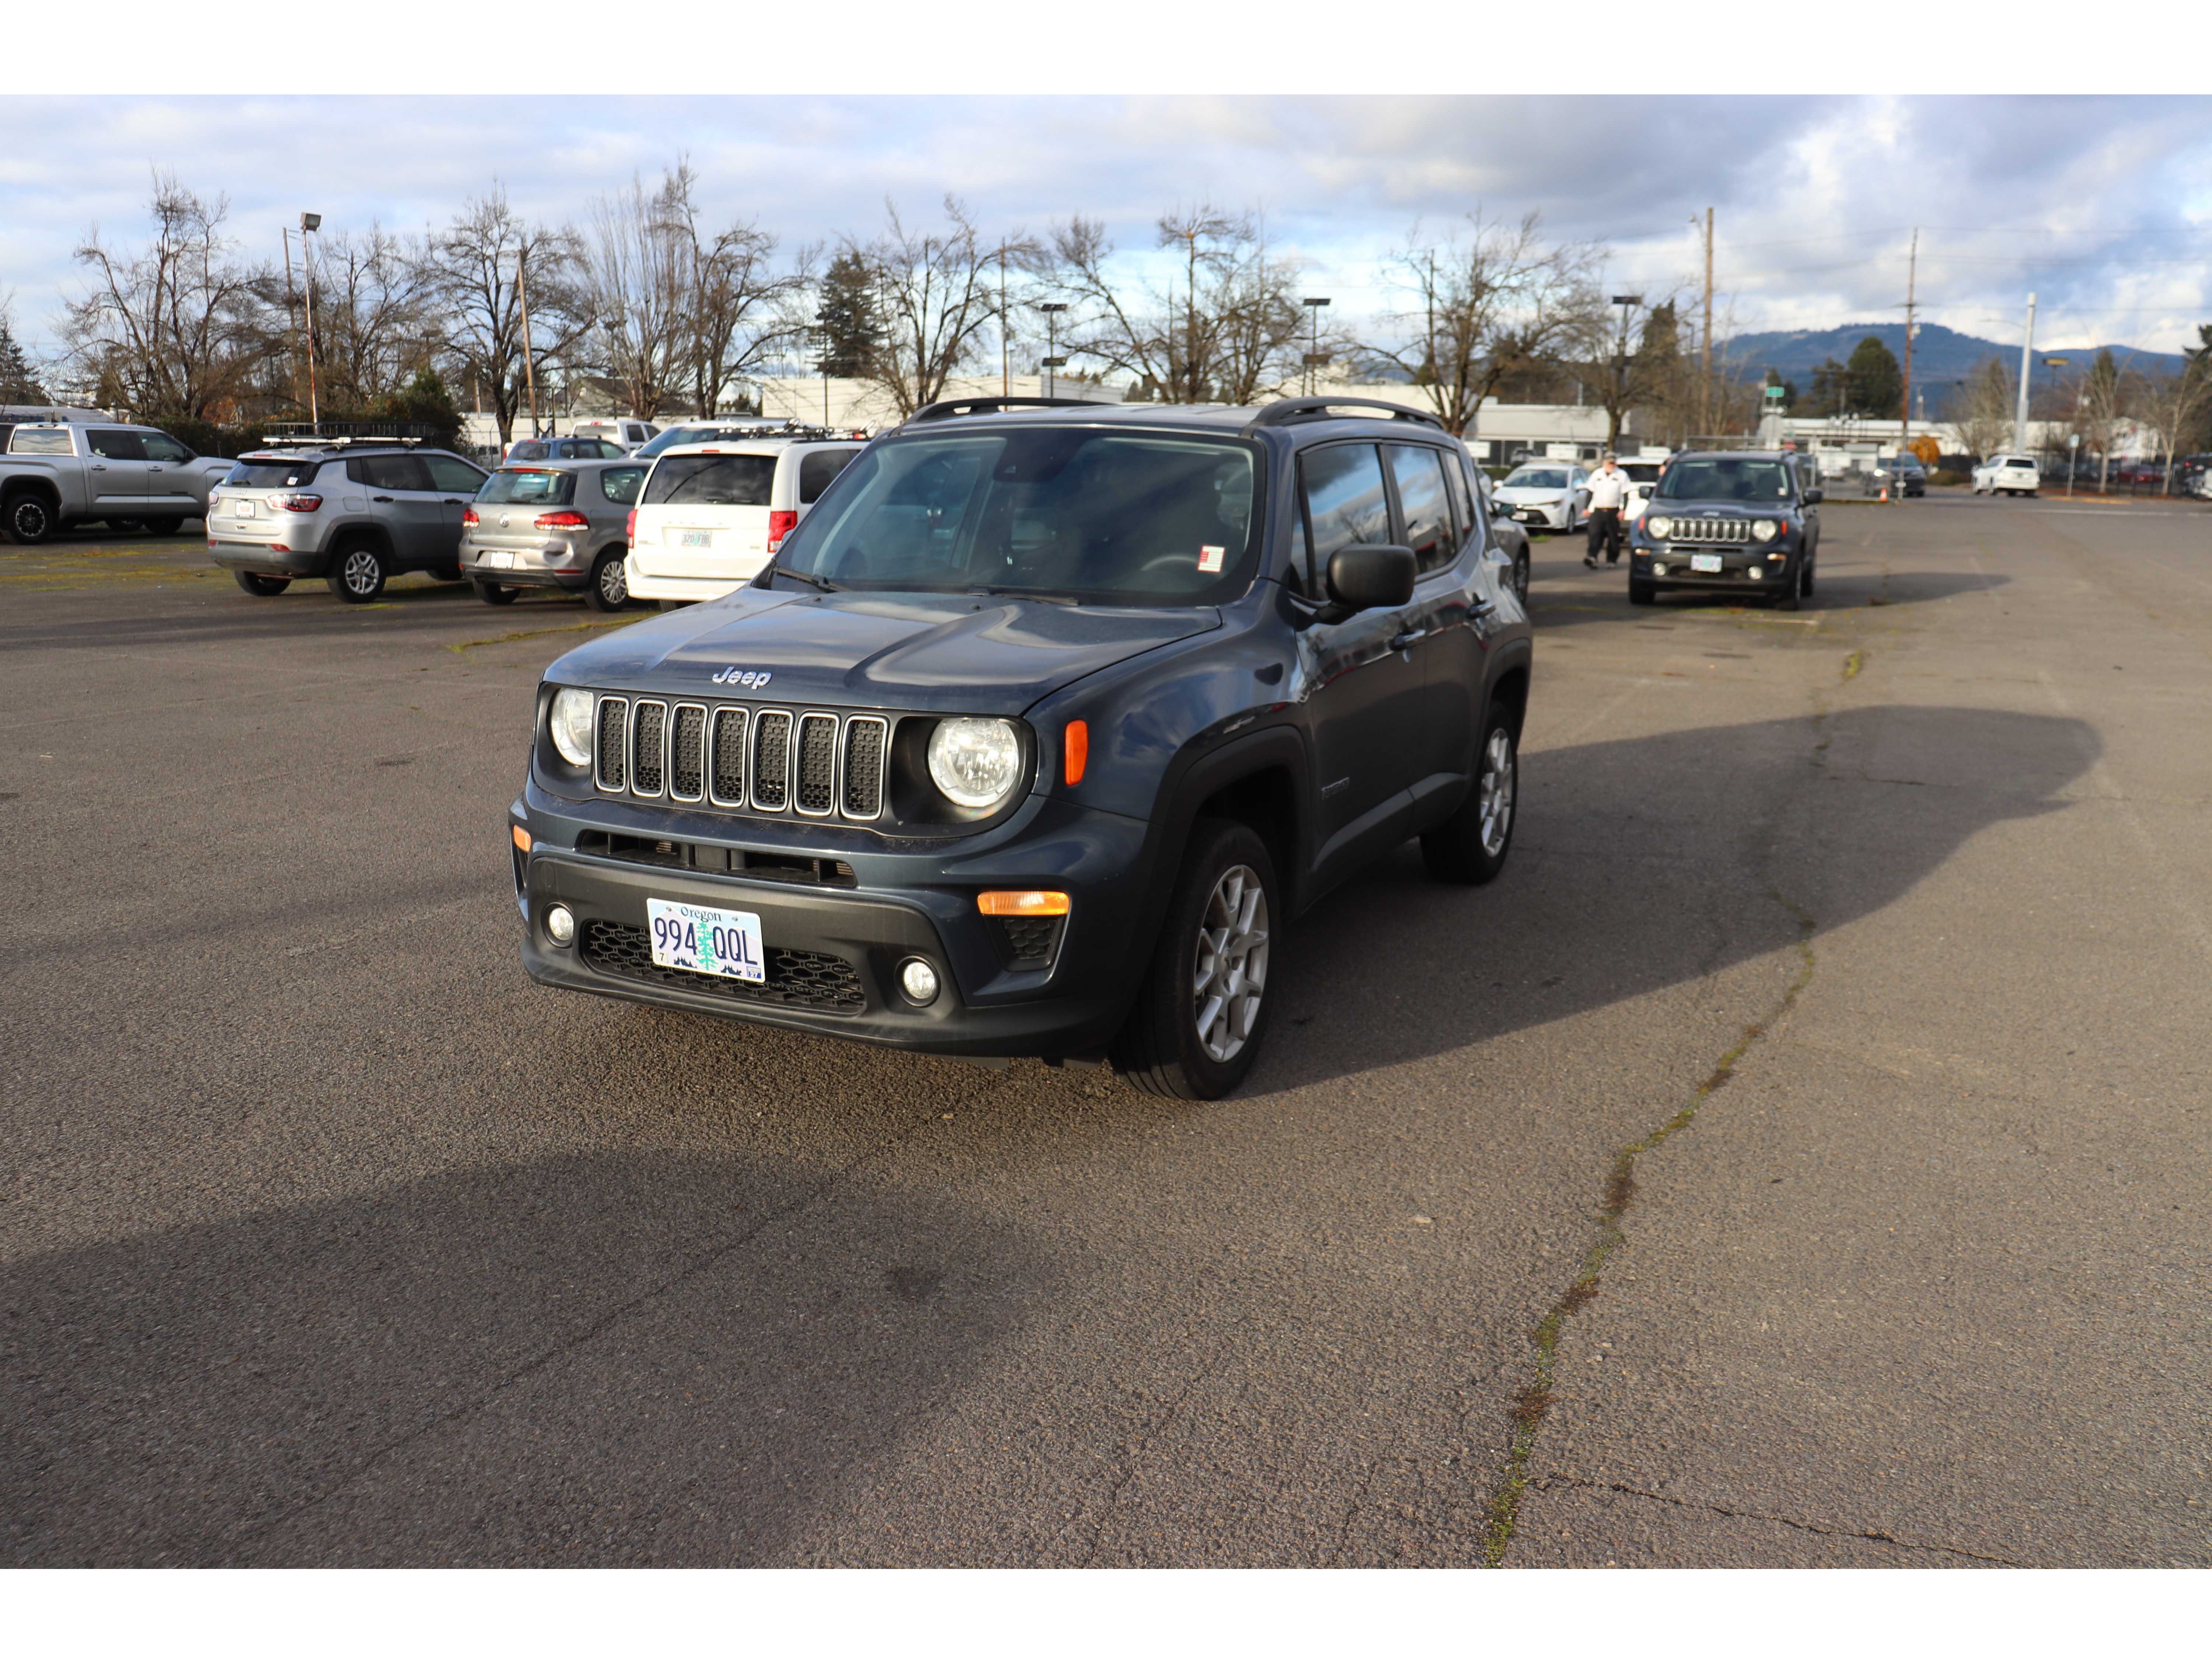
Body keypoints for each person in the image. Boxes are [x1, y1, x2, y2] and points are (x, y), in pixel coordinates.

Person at [1584, 452, 1630, 568]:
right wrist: (1586, 508)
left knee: (1613, 537)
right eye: (1609, 463)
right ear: (1604, 463)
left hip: (1613, 511)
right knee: (1594, 534)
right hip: (1598, 510)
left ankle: (1612, 560)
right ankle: (1592, 557)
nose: (1611, 465)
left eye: (1613, 463)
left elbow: (1625, 494)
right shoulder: (1597, 474)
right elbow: (1590, 492)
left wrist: (1623, 510)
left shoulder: (1622, 475)